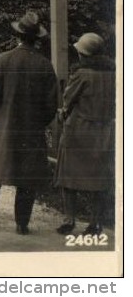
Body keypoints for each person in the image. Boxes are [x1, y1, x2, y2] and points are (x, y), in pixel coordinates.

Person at [0, 11, 59, 235]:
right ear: (36, 39)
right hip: (31, 129)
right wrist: (37, 122)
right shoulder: (45, 65)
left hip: (4, 126)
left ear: (18, 36)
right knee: (27, 176)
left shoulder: (3, 60)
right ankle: (21, 224)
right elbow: (51, 104)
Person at [54, 33, 115, 236]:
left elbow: (68, 99)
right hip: (103, 131)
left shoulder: (82, 74)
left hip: (78, 131)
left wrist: (63, 114)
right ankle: (95, 223)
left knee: (68, 176)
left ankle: (69, 219)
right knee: (97, 178)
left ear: (84, 54)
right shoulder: (114, 74)